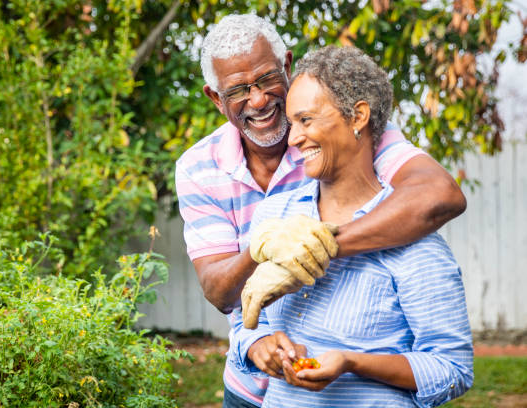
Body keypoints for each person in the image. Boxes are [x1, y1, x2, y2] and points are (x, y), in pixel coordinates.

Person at [175, 14, 467, 408]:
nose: (258, 100)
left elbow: (438, 194)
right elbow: (223, 294)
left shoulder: (359, 132)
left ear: (288, 67)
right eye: (240, 90)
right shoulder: (201, 170)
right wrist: (262, 264)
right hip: (251, 390)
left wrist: (319, 245)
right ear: (216, 98)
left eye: (266, 80)